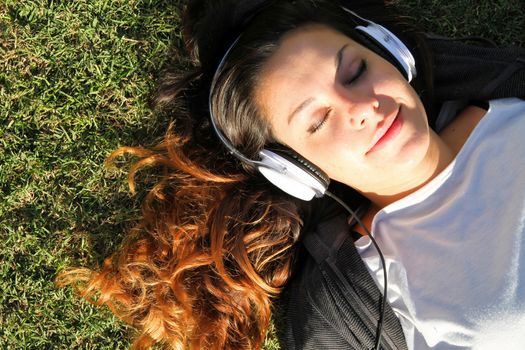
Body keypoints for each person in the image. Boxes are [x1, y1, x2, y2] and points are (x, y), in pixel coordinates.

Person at [57, 0, 525, 349]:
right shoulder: (358, 303)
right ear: (296, 171)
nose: (362, 109)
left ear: (388, 50)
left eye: (355, 70)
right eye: (317, 121)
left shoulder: (512, 93)